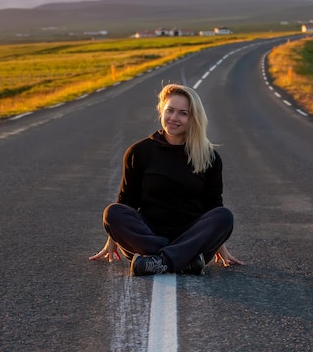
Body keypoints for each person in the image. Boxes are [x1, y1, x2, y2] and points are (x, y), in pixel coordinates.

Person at [89, 83, 243, 276]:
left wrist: (219, 242)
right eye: (170, 110)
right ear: (161, 110)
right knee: (112, 212)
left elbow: (213, 206)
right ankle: (184, 262)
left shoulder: (208, 157)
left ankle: (157, 262)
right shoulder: (139, 152)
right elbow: (126, 202)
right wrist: (113, 236)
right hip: (149, 234)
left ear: (193, 118)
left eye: (182, 113)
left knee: (224, 216)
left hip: (190, 235)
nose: (174, 118)